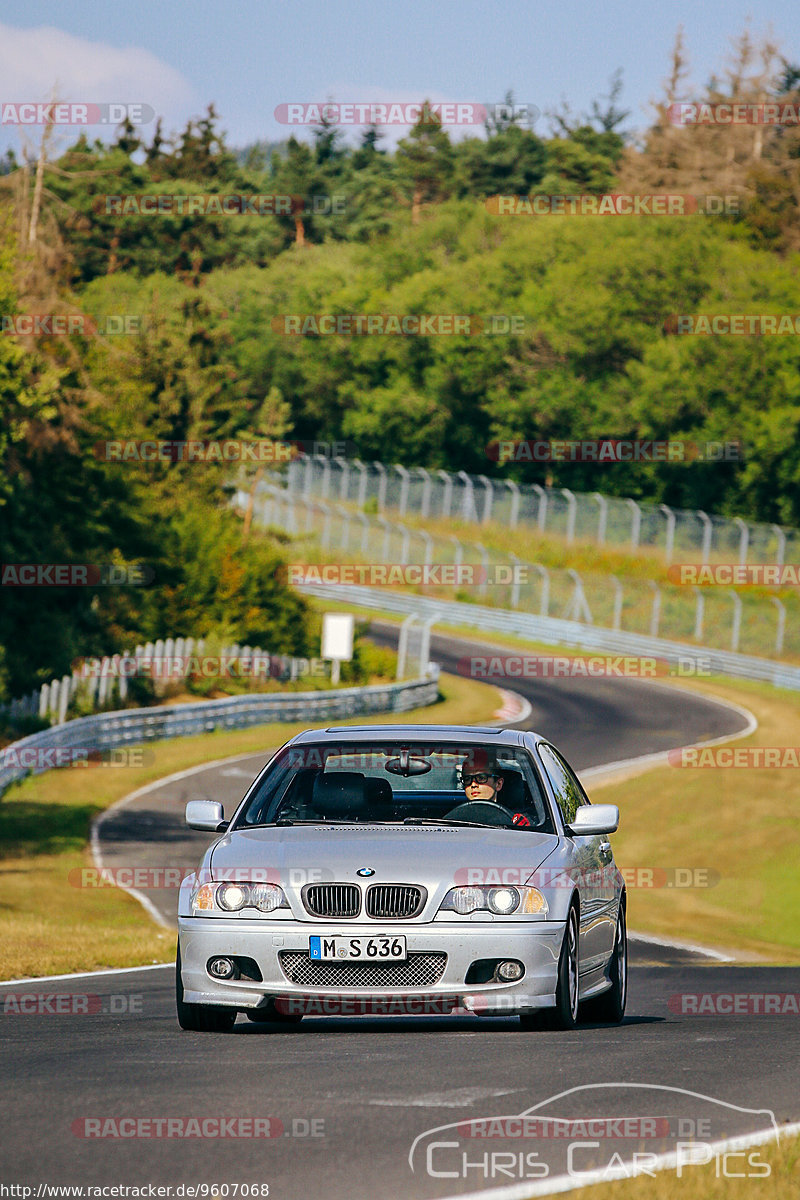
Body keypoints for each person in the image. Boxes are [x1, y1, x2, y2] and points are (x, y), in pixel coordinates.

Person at [460, 749, 531, 826]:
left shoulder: (519, 821)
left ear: (498, 784)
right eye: (467, 779)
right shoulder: (454, 819)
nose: (473, 784)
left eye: (481, 778)